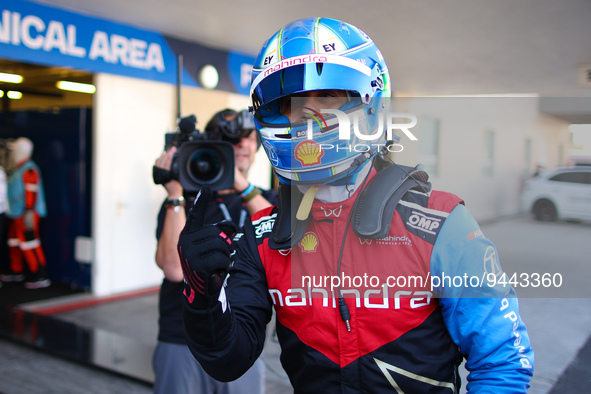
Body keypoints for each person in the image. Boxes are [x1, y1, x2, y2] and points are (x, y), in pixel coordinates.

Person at [178, 18, 534, 393]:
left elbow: (502, 363)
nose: (306, 116)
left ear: (372, 103)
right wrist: (203, 297)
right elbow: (229, 362)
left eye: (329, 96)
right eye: (287, 102)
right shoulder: (263, 235)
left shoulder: (441, 223)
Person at [152, 109, 276, 394]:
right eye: (231, 140)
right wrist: (173, 193)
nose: (243, 145)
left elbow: (276, 240)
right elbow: (173, 269)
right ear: (213, 145)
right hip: (181, 337)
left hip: (243, 336)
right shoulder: (184, 203)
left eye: (249, 138)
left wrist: (239, 184)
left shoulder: (267, 200)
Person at [1, 137, 49, 289]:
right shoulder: (18, 169)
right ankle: (16, 270)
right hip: (16, 213)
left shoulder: (29, 169)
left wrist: (28, 212)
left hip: (26, 214)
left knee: (30, 242)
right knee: (14, 242)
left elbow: (31, 192)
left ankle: (39, 274)